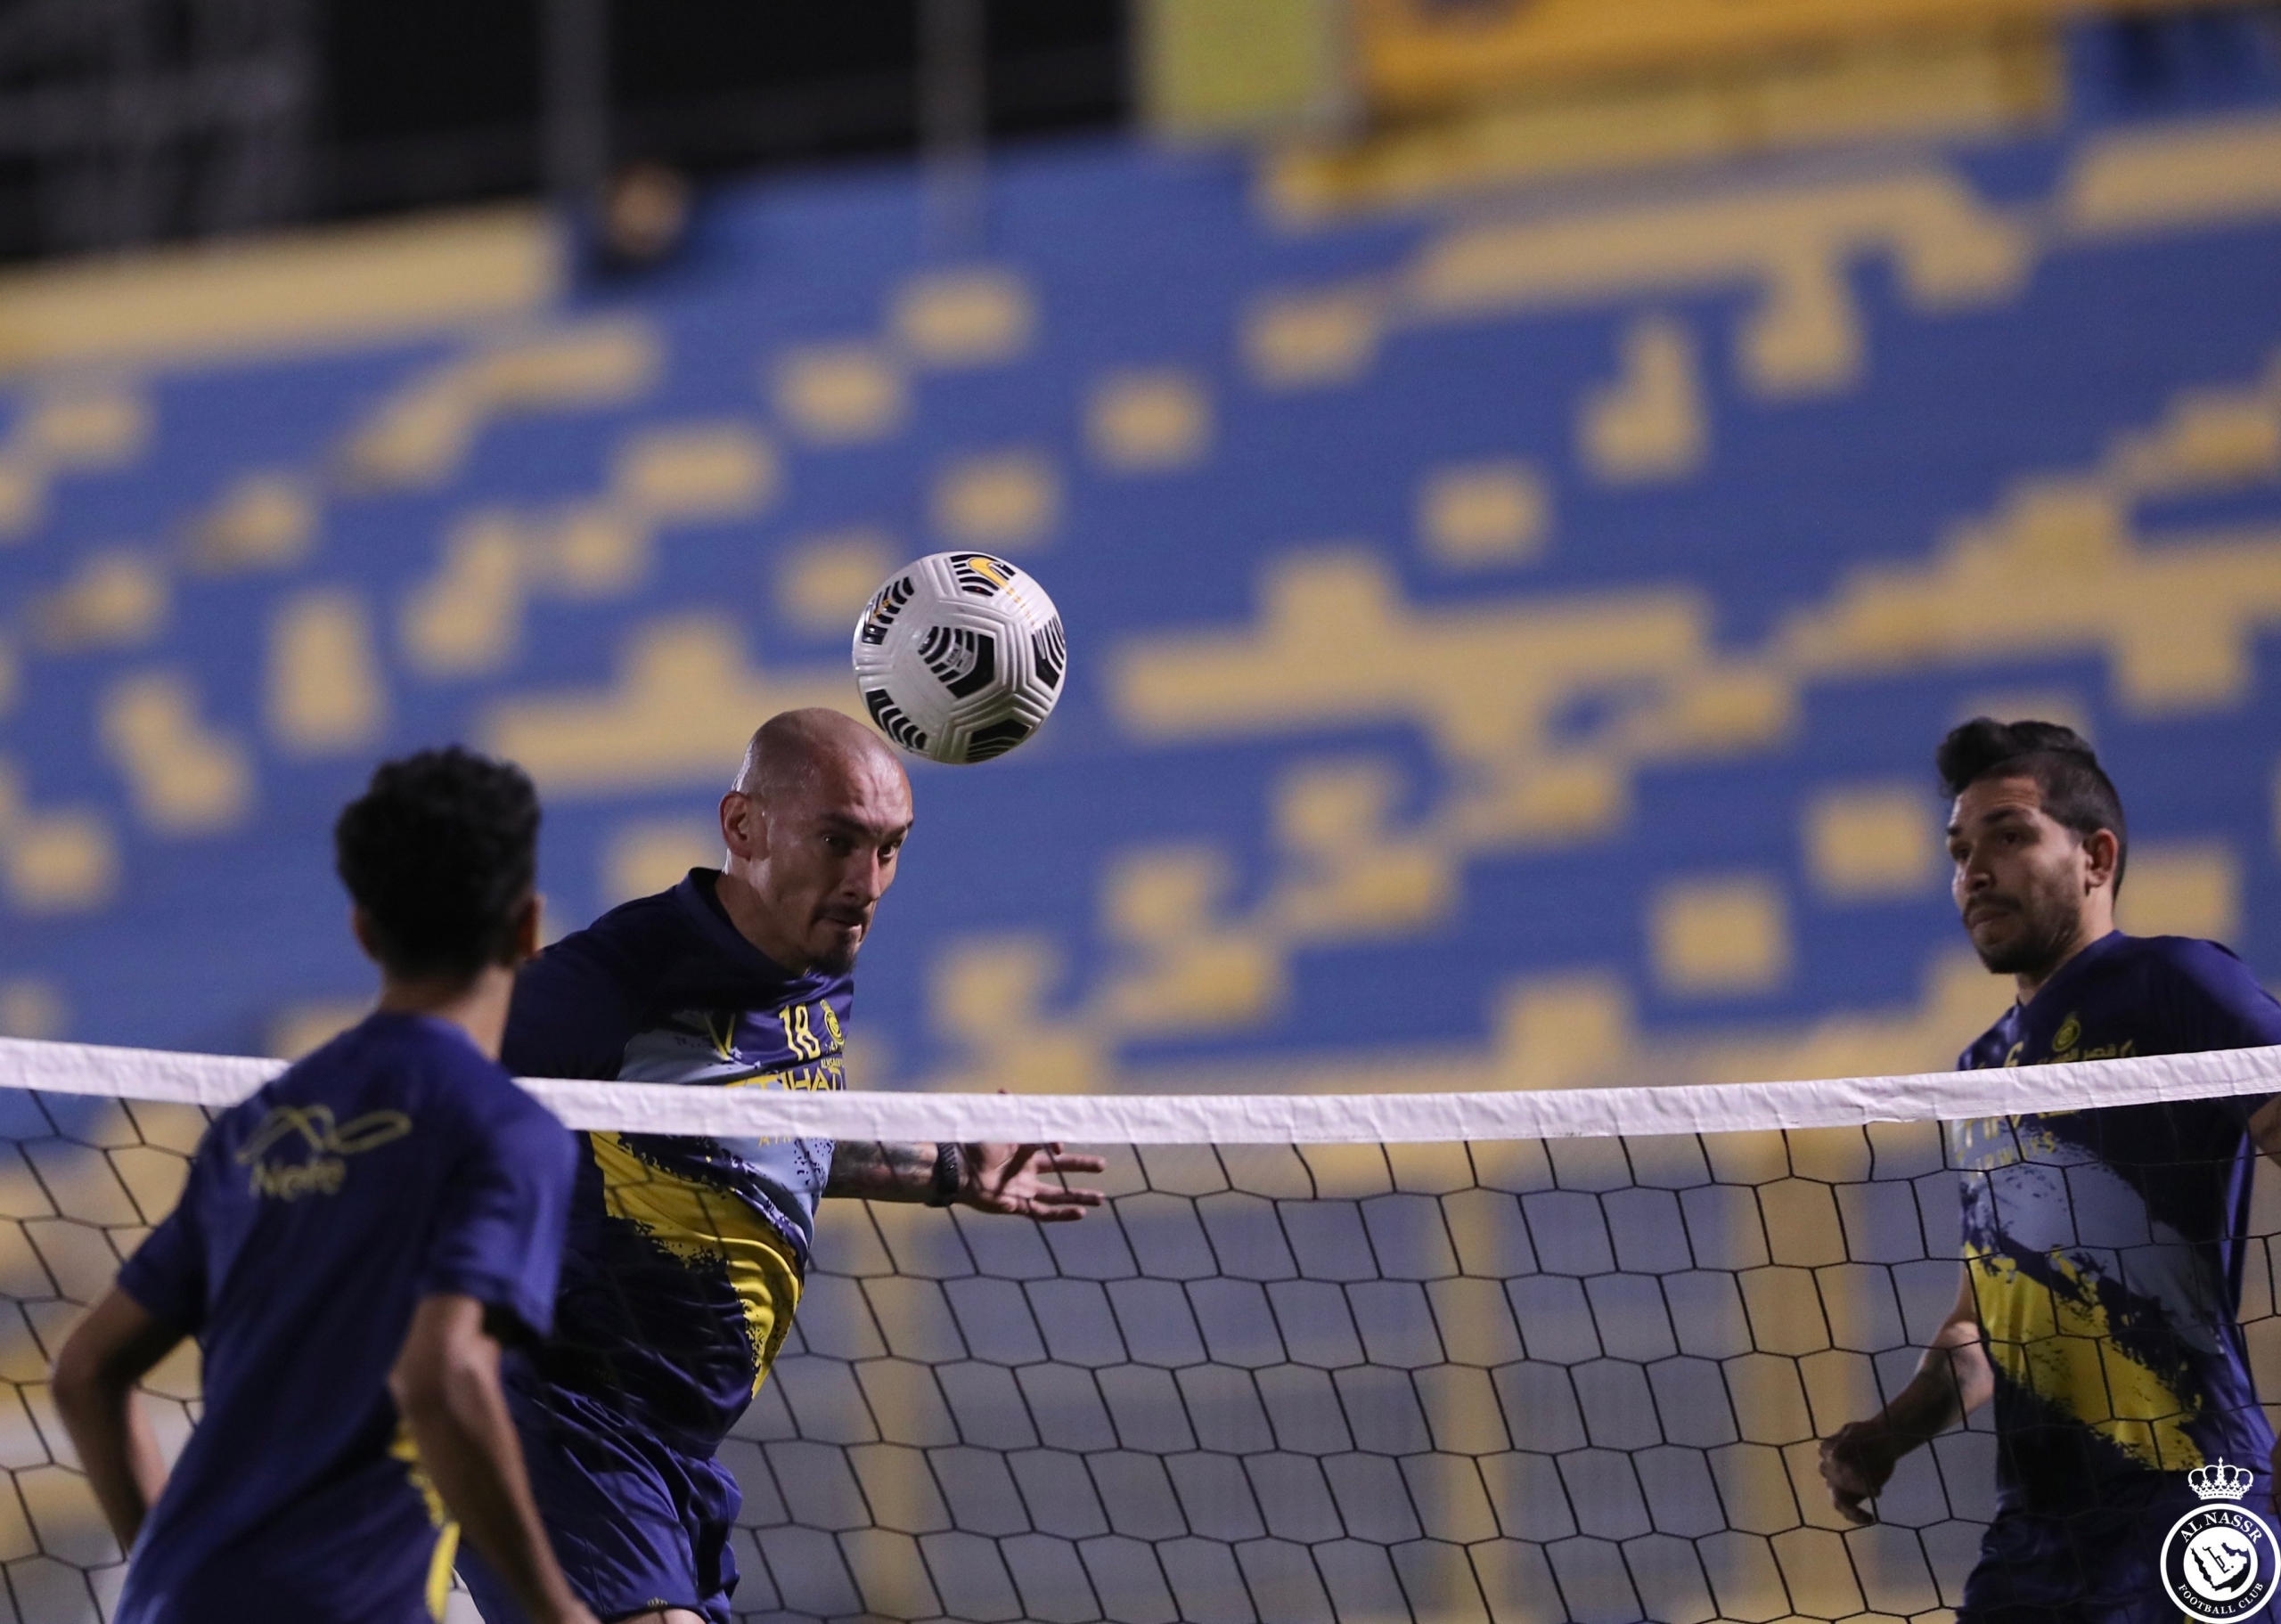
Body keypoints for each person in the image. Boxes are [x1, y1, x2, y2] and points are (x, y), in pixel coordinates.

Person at [459, 707, 1106, 1624]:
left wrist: (946, 1168)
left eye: (889, 848)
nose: (865, 882)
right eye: (838, 840)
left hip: (673, 1449)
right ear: (742, 828)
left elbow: (761, 1136)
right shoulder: (619, 978)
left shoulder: (813, 969)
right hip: (563, 1417)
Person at [52, 747, 594, 1623]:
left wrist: (166, 1572)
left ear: (365, 932)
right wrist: (556, 1610)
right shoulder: (503, 1131)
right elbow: (444, 1371)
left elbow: (85, 1370)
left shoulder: (254, 1124)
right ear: (528, 927)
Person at [1818, 718, 2281, 1621]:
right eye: (1958, 849)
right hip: (2034, 1533)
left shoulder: (2175, 983)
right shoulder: (1979, 1068)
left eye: (2009, 834)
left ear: (2096, 856)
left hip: (2189, 1504)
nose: (1973, 870)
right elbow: (1986, 1315)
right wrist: (1888, 1432)